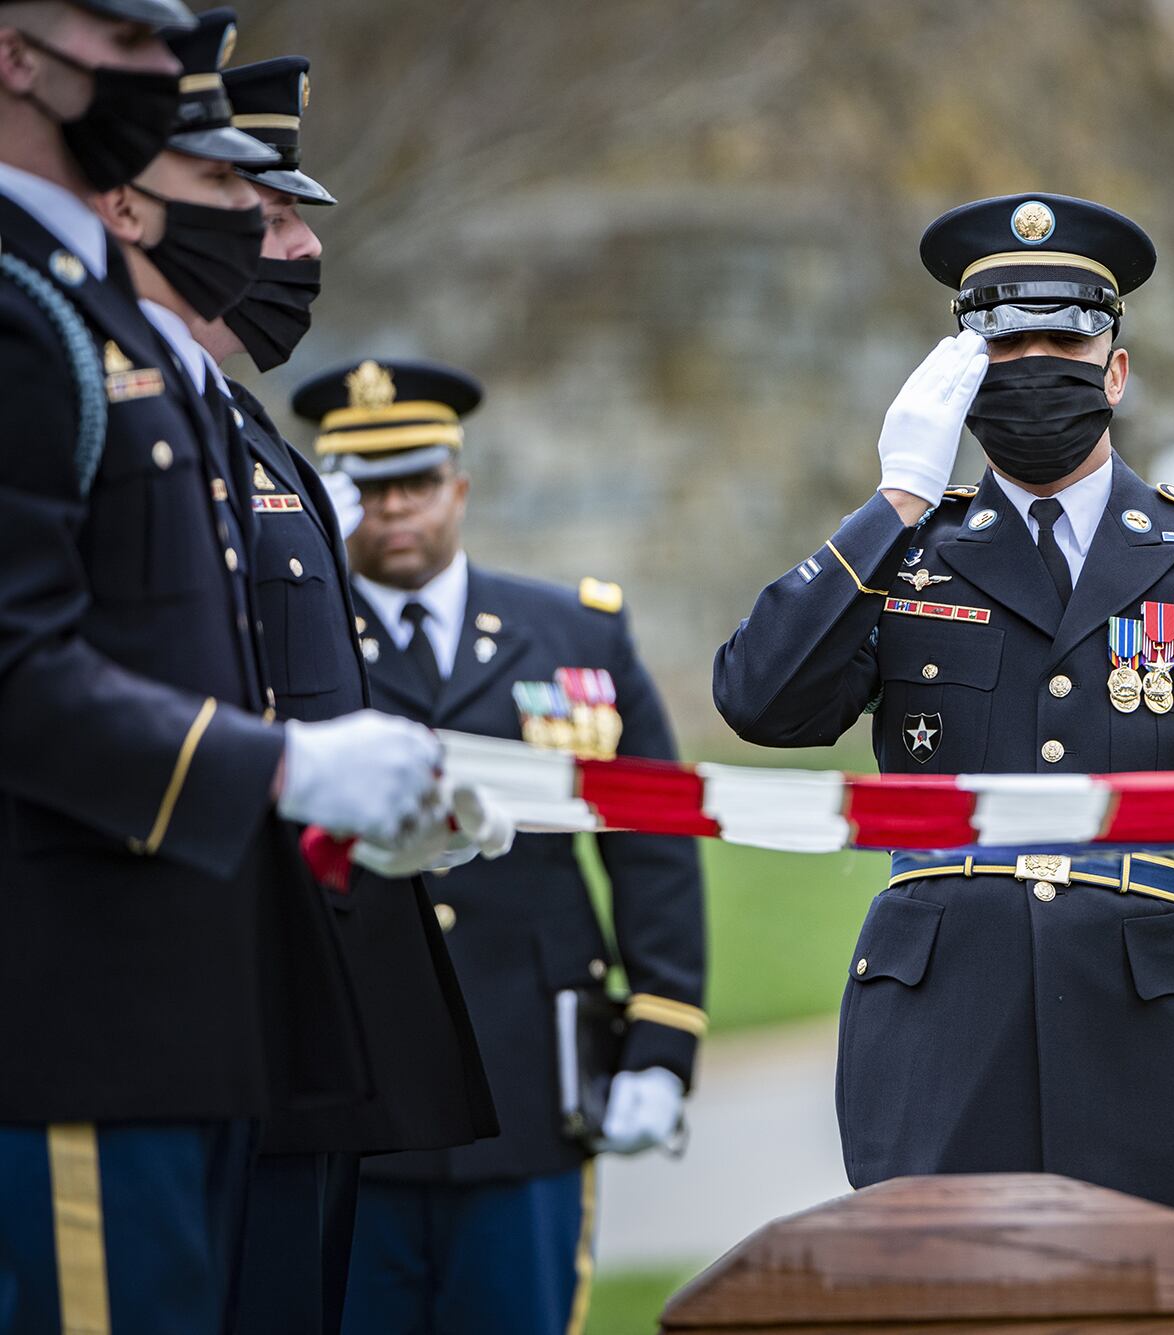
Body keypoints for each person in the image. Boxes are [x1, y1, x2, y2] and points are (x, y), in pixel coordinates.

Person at [712, 193, 1174, 1243]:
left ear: (1117, 369)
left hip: (1144, 1042)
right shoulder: (904, 552)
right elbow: (759, 703)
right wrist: (897, 497)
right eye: (1004, 345)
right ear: (960, 374)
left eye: (1065, 339)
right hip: (935, 1038)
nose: (1036, 364)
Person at [0, 3, 441, 1330]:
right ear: (22, 53)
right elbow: (18, 669)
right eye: (132, 44)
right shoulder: (32, 319)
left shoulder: (113, 332)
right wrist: (292, 764)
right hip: (73, 999)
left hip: (181, 1000)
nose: (162, 74)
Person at [154, 39, 496, 1335]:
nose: (294, 249)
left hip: (304, 986)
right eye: (267, 210)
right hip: (209, 981)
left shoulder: (255, 438)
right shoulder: (154, 421)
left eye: (295, 215)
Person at [290, 357, 707, 1335]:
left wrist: (660, 1042)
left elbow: (652, 835)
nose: (395, 511)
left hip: (526, 1076)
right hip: (347, 1080)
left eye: (418, 483)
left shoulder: (572, 634)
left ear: (459, 488)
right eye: (368, 488)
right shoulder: (289, 636)